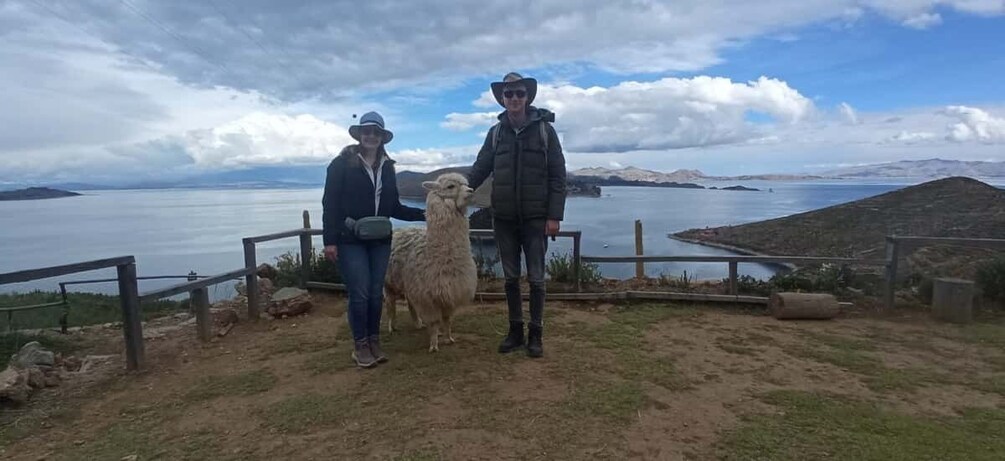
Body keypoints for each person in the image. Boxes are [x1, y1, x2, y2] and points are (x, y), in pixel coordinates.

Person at [467, 72, 567, 358]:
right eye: (508, 94)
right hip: (505, 218)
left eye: (519, 93)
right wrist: (459, 190)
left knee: (536, 279)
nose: (513, 98)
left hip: (537, 218)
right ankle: (515, 331)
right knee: (510, 279)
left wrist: (554, 216)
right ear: (502, 98)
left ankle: (536, 334)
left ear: (527, 97)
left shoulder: (545, 131)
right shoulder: (495, 133)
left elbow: (557, 176)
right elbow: (481, 167)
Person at [322, 111, 425, 368]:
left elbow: (393, 207)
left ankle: (374, 341)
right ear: (359, 135)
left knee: (375, 294)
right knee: (360, 293)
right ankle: (360, 344)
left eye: (375, 132)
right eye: (366, 131)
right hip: (350, 239)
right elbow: (330, 204)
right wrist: (330, 240)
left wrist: (427, 213)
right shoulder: (341, 165)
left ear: (382, 137)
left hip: (380, 239)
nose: (371, 136)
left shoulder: (387, 168)